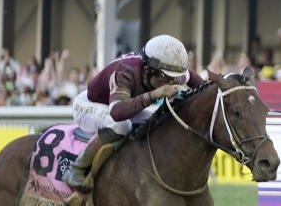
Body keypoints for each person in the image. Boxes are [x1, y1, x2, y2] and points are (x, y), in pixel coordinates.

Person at [62, 34, 204, 192]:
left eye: (173, 79)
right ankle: (76, 169)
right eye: (167, 78)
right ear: (148, 70)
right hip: (90, 105)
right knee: (121, 125)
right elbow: (117, 112)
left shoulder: (164, 72)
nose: (171, 83)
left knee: (158, 120)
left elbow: (195, 79)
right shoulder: (125, 72)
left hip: (121, 104)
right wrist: (154, 95)